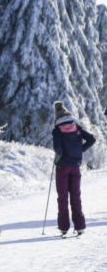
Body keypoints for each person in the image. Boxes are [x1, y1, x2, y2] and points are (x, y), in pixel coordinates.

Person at [52, 101, 96, 236]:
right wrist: (79, 150)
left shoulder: (57, 130)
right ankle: (80, 226)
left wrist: (57, 158)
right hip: (75, 167)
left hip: (62, 167)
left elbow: (57, 149)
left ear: (57, 116)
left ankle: (64, 228)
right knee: (76, 196)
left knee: (63, 198)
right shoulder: (76, 127)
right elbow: (92, 139)